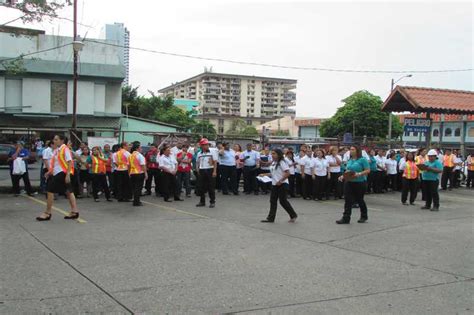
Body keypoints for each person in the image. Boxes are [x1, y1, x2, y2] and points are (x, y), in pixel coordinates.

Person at [36, 135, 79, 221]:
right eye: (54, 139)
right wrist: (49, 172)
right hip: (59, 173)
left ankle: (47, 213)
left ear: (62, 141)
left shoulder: (64, 149)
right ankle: (74, 212)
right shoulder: (57, 150)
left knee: (50, 190)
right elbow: (56, 164)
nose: (54, 141)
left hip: (63, 173)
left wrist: (67, 175)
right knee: (68, 191)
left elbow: (70, 162)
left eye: (56, 139)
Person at [260, 149, 298, 223]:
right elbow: (274, 173)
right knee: (272, 201)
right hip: (275, 184)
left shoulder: (282, 162)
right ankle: (270, 218)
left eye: (274, 154)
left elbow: (287, 173)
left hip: (282, 184)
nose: (272, 155)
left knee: (283, 201)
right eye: (272, 153)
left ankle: (293, 215)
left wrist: (281, 181)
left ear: (278, 154)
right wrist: (264, 174)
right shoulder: (274, 162)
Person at [336, 146, 370, 224]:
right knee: (348, 200)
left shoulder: (362, 160)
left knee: (359, 199)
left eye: (353, 149)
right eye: (350, 149)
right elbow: (348, 170)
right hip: (349, 182)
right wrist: (343, 176)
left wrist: (359, 174)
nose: (351, 151)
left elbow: (368, 170)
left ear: (357, 151)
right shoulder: (350, 160)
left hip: (360, 182)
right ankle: (346, 218)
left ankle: (364, 216)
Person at [196, 138, 218, 208]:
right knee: (201, 187)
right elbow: (197, 162)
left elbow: (215, 162)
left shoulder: (212, 152)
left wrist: (214, 171)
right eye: (204, 145)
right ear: (201, 146)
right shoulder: (199, 153)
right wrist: (197, 169)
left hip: (210, 170)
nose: (206, 146)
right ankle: (202, 201)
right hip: (202, 170)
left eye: (207, 144)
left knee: (211, 187)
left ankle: (212, 202)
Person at [128, 141, 147, 206]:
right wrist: (146, 173)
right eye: (140, 148)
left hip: (132, 173)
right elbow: (143, 165)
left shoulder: (130, 156)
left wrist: (129, 173)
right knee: (138, 188)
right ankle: (136, 202)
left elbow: (129, 166)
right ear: (137, 148)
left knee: (134, 188)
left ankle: (135, 200)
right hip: (139, 173)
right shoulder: (140, 155)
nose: (141, 149)